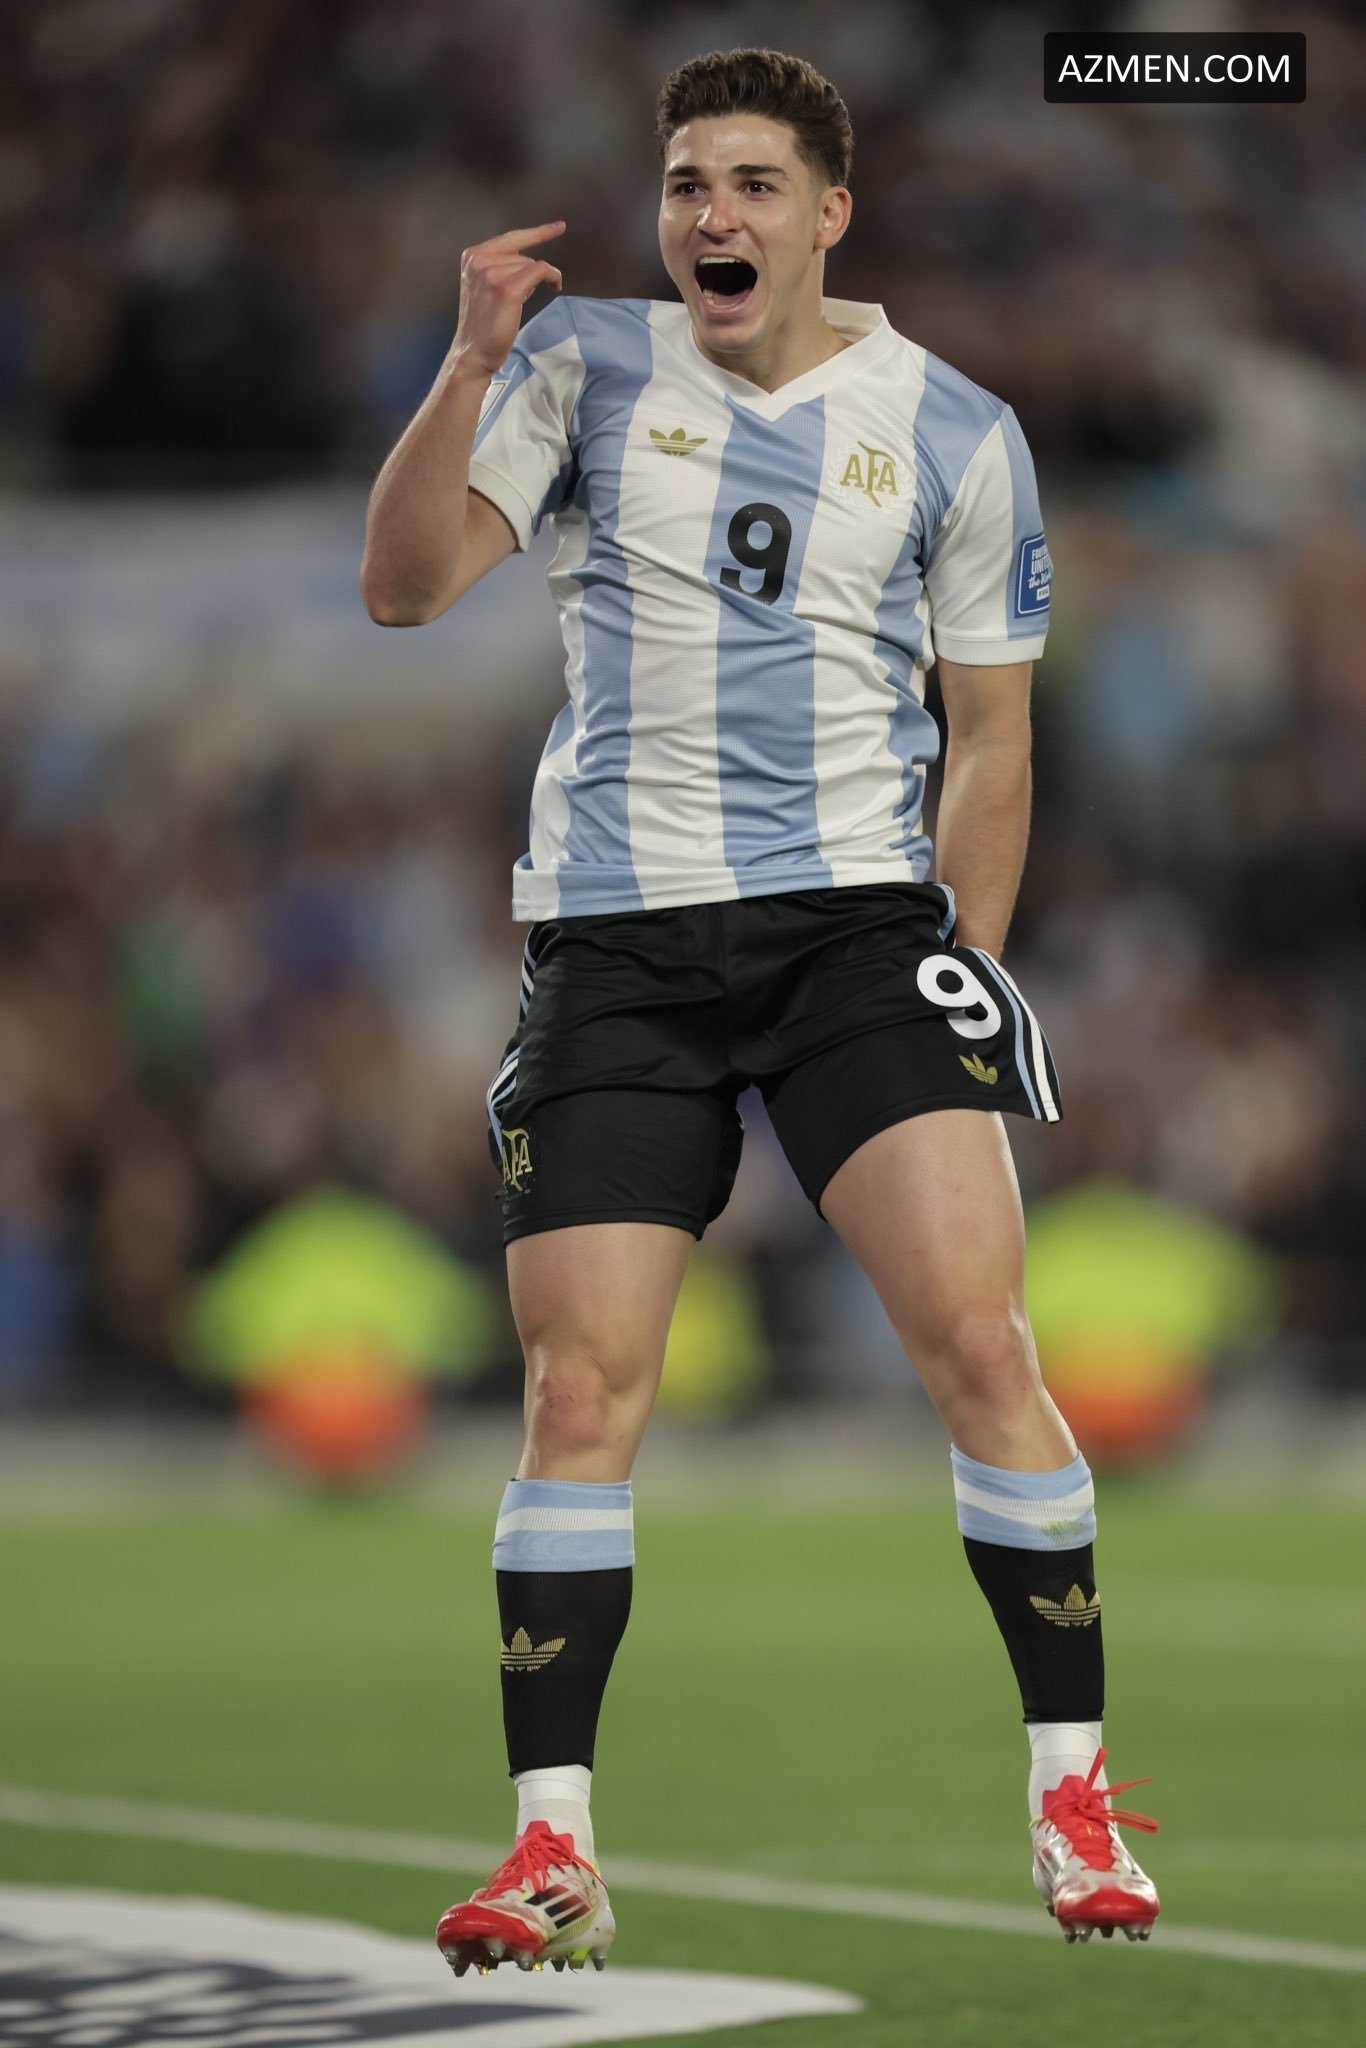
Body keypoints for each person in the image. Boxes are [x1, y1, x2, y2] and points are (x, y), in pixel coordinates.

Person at [360, 46, 1159, 1977]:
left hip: (852, 940)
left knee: (978, 1339)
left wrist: (958, 962)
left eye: (749, 185)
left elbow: (992, 740)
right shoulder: (579, 370)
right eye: (684, 185)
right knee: (576, 1394)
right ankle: (552, 1849)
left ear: (827, 215)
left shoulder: (954, 430)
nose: (708, 216)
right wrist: (463, 365)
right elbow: (399, 591)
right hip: (617, 944)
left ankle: (1071, 1794)